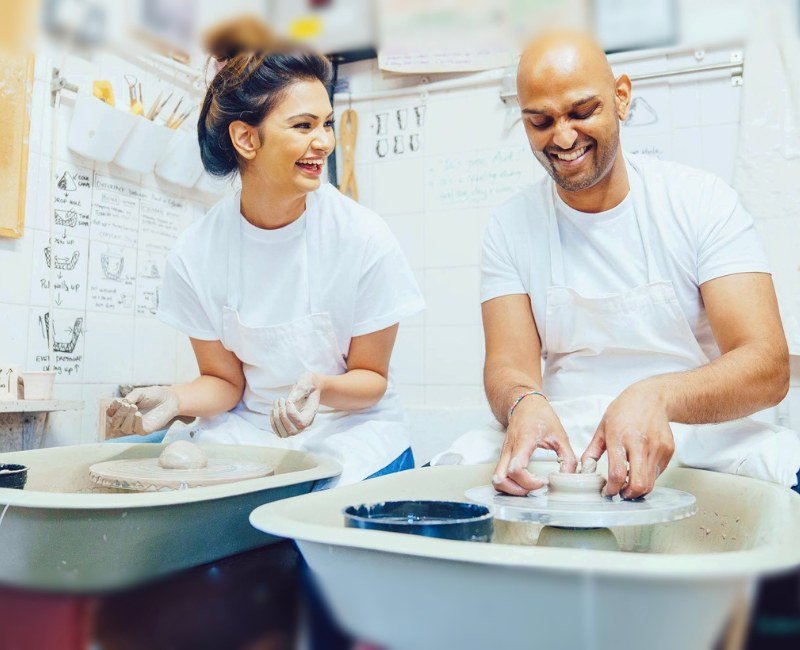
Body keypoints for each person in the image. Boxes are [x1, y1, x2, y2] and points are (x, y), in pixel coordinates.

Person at [433, 30, 800, 497]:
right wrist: (524, 401)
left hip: (703, 435)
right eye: (540, 121)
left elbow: (767, 368)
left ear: (622, 97)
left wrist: (657, 395)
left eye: (583, 112)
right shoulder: (511, 226)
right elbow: (508, 366)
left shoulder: (700, 202)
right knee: (444, 478)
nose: (563, 137)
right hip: (570, 441)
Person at [106, 17, 424, 488]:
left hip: (349, 430)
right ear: (246, 139)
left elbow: (371, 378)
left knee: (310, 515)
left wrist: (321, 387)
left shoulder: (364, 239)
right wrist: (175, 399)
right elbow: (225, 382)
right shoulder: (196, 254)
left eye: (326, 123)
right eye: (303, 125)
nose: (324, 142)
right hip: (247, 433)